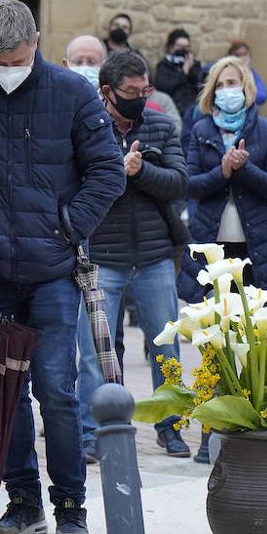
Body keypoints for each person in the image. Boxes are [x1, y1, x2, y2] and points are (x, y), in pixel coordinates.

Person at [0, 0, 124, 534]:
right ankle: (23, 501)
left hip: (52, 268)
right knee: (6, 389)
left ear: (38, 42)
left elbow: (107, 171)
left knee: (56, 387)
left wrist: (68, 227)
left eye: (17, 59)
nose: (7, 71)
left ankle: (70, 503)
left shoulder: (72, 92)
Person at [79, 50, 189, 459]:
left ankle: (170, 426)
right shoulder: (88, 125)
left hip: (154, 256)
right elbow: (77, 183)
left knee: (167, 349)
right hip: (102, 255)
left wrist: (140, 171)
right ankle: (94, 432)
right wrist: (115, 170)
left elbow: (179, 182)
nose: (140, 97)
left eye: (145, 90)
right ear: (107, 91)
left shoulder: (160, 124)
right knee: (95, 352)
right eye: (131, 91)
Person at [180, 55, 267, 302]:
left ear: (245, 86)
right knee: (215, 327)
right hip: (211, 242)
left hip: (256, 243)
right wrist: (223, 172)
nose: (226, 89)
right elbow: (189, 184)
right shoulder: (201, 130)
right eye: (219, 85)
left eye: (232, 83)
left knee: (252, 326)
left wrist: (244, 167)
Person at [154, 28, 204, 118]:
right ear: (170, 47)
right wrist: (183, 74)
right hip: (171, 110)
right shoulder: (164, 65)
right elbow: (162, 86)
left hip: (192, 110)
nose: (183, 50)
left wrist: (191, 69)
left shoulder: (195, 64)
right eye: (179, 46)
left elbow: (201, 85)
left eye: (186, 47)